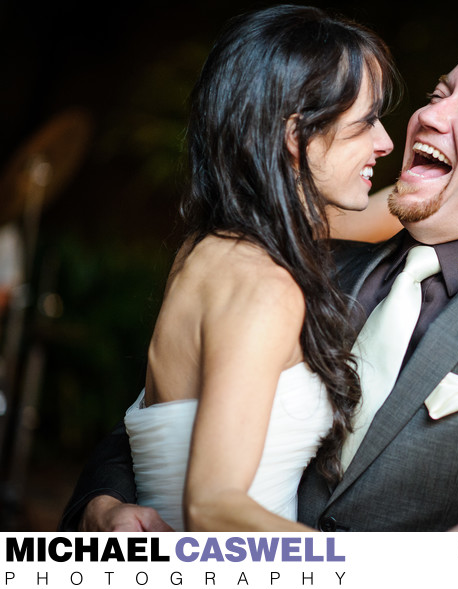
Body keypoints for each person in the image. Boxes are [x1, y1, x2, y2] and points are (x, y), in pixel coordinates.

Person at [61, 27, 458, 532]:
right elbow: (161, 423)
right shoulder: (301, 265)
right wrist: (103, 505)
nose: (422, 117)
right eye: (436, 94)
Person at [91, 5, 402, 533]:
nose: (386, 142)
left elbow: (385, 215)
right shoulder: (265, 285)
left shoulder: (219, 244)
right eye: (365, 122)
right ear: (294, 135)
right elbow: (213, 509)